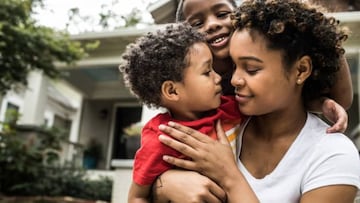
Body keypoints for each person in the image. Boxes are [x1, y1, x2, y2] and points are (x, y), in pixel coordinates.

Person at [155, 0, 360, 202]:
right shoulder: (220, 122)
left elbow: (340, 93)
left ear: (301, 70)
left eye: (251, 69)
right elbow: (154, 164)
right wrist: (163, 185)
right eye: (234, 66)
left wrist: (228, 176)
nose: (235, 80)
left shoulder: (331, 154)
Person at [174, 0, 353, 132]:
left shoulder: (269, 51)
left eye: (222, 14)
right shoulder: (189, 84)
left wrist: (321, 102)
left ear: (241, 16)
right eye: (197, 24)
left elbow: (340, 99)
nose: (212, 24)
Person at [119, 22, 243, 203]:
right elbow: (136, 196)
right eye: (207, 71)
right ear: (172, 91)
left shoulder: (229, 108)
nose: (218, 78)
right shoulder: (162, 139)